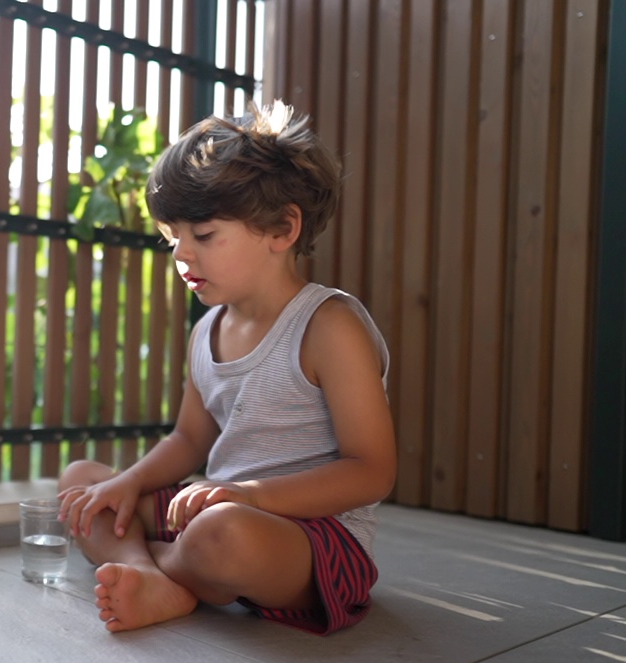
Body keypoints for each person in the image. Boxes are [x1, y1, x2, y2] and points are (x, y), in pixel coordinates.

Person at [57, 100, 396, 635]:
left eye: (204, 235)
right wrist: (127, 483)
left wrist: (250, 496)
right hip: (220, 507)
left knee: (224, 535)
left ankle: (155, 566)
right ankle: (154, 574)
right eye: (173, 239)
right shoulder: (206, 331)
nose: (182, 255)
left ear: (282, 230)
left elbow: (372, 470)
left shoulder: (329, 326)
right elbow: (189, 440)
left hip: (307, 538)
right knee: (84, 486)